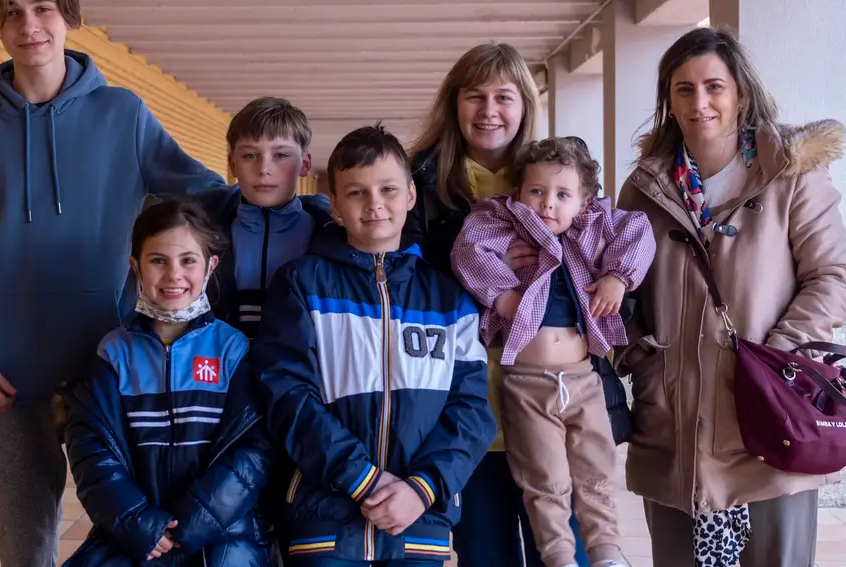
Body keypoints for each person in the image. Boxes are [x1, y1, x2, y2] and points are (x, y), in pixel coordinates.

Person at [0, 1, 232, 565]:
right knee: (26, 552)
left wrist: (302, 214)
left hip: (115, 375)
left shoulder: (123, 114)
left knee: (145, 540)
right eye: (11, 11)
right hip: (7, 380)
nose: (29, 25)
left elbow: (206, 193)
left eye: (43, 7)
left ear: (69, 16)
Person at [613, 26, 846, 567]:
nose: (700, 102)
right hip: (674, 426)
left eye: (714, 87)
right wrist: (638, 354)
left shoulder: (790, 175)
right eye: (683, 89)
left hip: (772, 424)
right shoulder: (645, 188)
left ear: (740, 93)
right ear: (668, 102)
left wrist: (780, 361)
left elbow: (835, 274)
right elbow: (616, 285)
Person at [404, 42, 629, 567]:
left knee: (564, 546)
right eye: (474, 96)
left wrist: (614, 283)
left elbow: (609, 250)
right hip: (469, 402)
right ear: (453, 103)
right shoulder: (421, 181)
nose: (489, 111)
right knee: (486, 553)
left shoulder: (558, 178)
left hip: (561, 394)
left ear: (525, 104)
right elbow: (405, 278)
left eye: (503, 97)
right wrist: (487, 261)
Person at [252, 123, 496, 567]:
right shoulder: (301, 285)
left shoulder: (449, 298)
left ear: (411, 196)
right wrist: (362, 479)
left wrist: (422, 489)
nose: (375, 205)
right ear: (335, 206)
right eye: (357, 193)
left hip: (418, 520)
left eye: (387, 189)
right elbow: (287, 395)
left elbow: (472, 411)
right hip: (325, 517)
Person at [451, 137, 655, 567]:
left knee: (596, 470)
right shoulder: (502, 224)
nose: (548, 204)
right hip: (527, 383)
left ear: (583, 203)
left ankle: (606, 552)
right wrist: (501, 291)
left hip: (583, 378)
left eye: (563, 195)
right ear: (518, 194)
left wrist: (619, 276)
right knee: (546, 476)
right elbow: (466, 252)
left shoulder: (592, 227)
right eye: (537, 192)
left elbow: (638, 230)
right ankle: (559, 556)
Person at [59, 199, 271, 566]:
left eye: (188, 260)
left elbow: (253, 451)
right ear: (135, 267)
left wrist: (194, 521)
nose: (174, 275)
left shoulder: (233, 350)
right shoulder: (113, 354)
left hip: (223, 533)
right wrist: (137, 522)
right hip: (135, 531)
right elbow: (91, 451)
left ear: (210, 266)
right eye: (158, 260)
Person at [198, 96, 333, 337]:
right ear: (232, 164)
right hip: (224, 368)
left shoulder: (330, 232)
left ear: (305, 163)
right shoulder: (205, 231)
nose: (263, 169)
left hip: (302, 370)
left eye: (280, 155)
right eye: (250, 155)